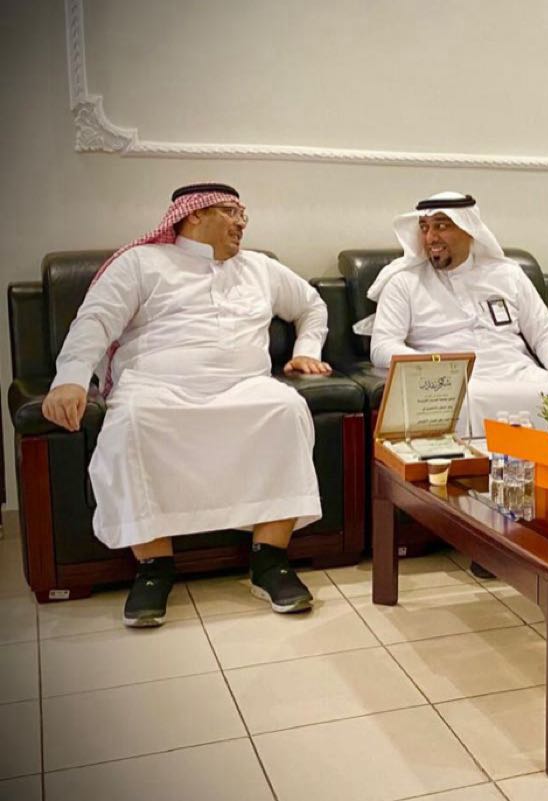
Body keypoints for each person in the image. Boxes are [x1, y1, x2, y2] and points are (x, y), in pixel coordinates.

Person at [41, 183, 332, 627]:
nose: (242, 223)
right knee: (132, 421)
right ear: (193, 215)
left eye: (244, 214)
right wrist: (70, 379)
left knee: (286, 408)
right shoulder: (141, 262)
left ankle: (270, 561)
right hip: (157, 389)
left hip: (244, 387)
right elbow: (95, 320)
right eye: (231, 212)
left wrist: (306, 349)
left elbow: (312, 306)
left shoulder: (261, 268)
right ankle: (154, 569)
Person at [362, 192, 548, 436]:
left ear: (469, 229)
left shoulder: (507, 274)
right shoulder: (404, 282)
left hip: (519, 374)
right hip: (457, 384)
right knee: (455, 405)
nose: (431, 237)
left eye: (441, 226)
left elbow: (544, 330)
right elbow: (382, 346)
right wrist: (433, 366)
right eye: (425, 228)